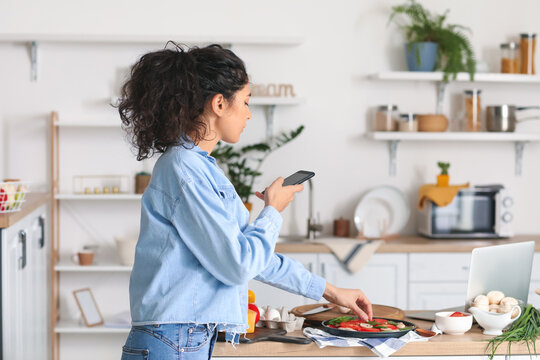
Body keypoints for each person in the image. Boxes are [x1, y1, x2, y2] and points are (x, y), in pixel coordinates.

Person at [117, 42, 372, 360]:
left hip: (181, 338)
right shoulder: (185, 170)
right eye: (246, 102)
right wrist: (272, 211)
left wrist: (333, 292)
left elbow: (252, 258)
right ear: (220, 103)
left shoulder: (199, 167)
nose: (249, 114)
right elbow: (238, 266)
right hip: (174, 340)